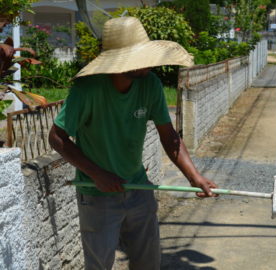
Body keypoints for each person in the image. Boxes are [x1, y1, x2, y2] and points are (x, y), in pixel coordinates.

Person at [48, 17, 218, 269]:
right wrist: (97, 174)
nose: (146, 64)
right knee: (99, 264)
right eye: (137, 58)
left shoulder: (150, 85)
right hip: (98, 194)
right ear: (118, 63)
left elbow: (169, 136)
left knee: (148, 261)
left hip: (139, 187)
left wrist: (194, 178)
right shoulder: (88, 90)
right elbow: (56, 138)